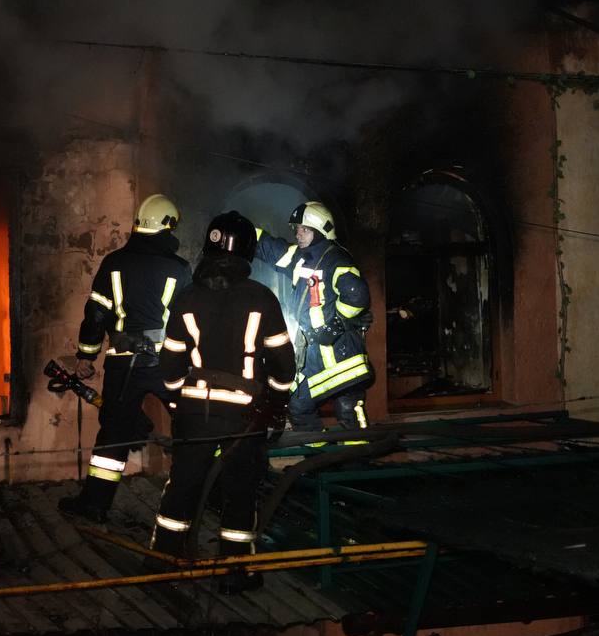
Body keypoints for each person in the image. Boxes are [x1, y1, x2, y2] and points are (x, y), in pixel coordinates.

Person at [150, 211, 295, 593]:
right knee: (240, 491)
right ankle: (235, 573)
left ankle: (162, 564)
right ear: (247, 251)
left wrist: (179, 403)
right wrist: (275, 404)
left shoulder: (187, 297)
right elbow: (284, 364)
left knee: (183, 486)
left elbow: (170, 364)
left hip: (195, 412)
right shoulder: (261, 297)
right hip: (245, 415)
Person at [58, 194, 192, 523]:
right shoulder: (179, 269)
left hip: (122, 365)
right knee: (191, 426)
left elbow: (96, 315)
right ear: (168, 227)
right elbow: (188, 322)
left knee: (113, 435)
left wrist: (86, 356)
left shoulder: (113, 263)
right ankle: (204, 496)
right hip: (166, 365)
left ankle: (94, 505)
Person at [254, 201, 373, 435]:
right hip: (321, 358)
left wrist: (337, 323)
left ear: (321, 231)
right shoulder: (301, 258)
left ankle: (357, 453)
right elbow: (272, 249)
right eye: (297, 229)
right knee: (304, 407)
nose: (298, 234)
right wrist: (245, 232)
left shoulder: (336, 259)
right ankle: (324, 453)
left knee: (340, 410)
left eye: (305, 230)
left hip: (340, 358)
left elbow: (356, 295)